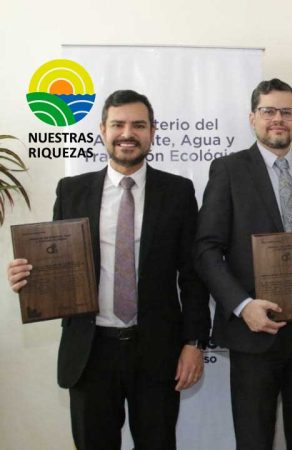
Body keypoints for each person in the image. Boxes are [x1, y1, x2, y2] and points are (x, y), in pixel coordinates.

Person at [7, 89, 210, 450]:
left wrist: (193, 343)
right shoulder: (72, 191)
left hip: (157, 352)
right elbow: (58, 263)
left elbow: (192, 276)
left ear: (152, 131)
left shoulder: (178, 192)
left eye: (138, 125)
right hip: (90, 352)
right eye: (117, 124)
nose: (127, 133)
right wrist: (29, 278)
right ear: (102, 129)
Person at [194, 78, 292, 449]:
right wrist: (243, 306)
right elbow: (207, 249)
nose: (279, 119)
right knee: (254, 439)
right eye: (269, 111)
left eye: (286, 112)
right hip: (254, 332)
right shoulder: (228, 170)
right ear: (252, 118)